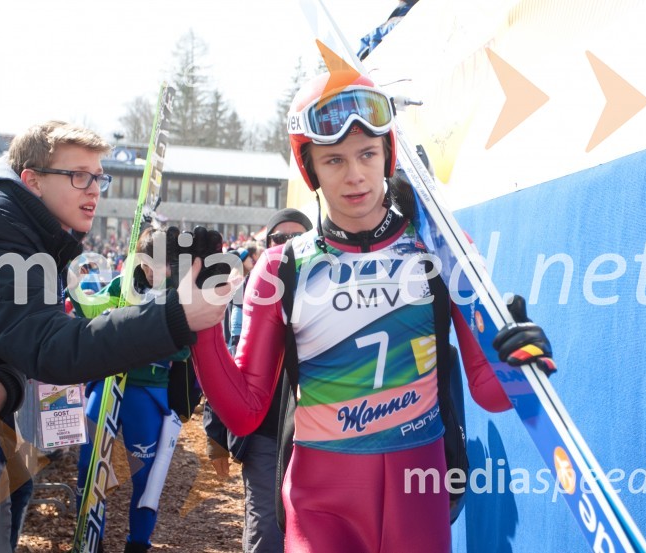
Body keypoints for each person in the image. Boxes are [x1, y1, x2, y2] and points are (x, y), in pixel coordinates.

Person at [191, 72, 555, 553]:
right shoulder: (284, 267)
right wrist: (201, 328)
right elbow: (244, 411)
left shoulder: (442, 251)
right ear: (311, 170)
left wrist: (527, 359)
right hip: (320, 505)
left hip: (418, 494)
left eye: (367, 154)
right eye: (334, 160)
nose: (355, 174)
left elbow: (489, 392)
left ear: (388, 154)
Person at [0, 121, 232, 550]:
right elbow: (50, 346)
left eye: (99, 177)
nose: (94, 190)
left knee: (15, 501)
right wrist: (174, 316)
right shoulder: (0, 234)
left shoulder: (18, 225)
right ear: (31, 181)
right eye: (78, 176)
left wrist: (6, 378)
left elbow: (8, 331)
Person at [73, 227, 190, 553]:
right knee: (89, 466)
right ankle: (87, 538)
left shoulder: (177, 294)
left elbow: (183, 349)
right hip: (109, 382)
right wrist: (75, 286)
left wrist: (137, 337)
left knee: (145, 477)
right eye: (149, 263)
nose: (156, 271)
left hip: (146, 392)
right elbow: (91, 311)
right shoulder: (124, 283)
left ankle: (138, 544)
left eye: (164, 264)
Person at [203, 208, 313, 553]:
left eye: (297, 239)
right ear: (266, 246)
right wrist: (215, 432)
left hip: (317, 436)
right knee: (266, 531)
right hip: (264, 433)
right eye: (279, 239)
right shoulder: (243, 294)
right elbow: (227, 360)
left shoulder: (333, 292)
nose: (287, 246)